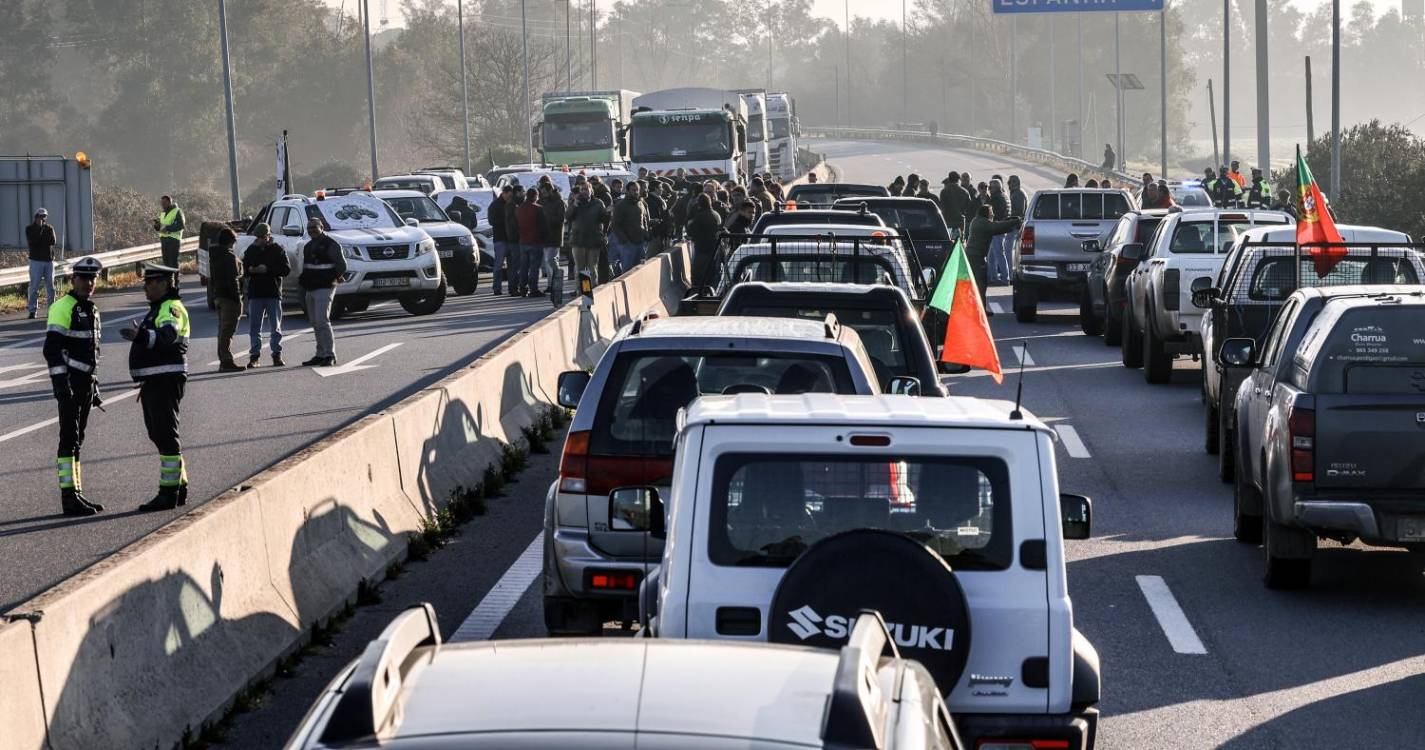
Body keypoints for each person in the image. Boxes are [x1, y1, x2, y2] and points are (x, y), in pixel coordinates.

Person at [121, 263, 191, 512]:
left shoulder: (170, 308)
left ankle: (168, 493)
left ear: (164, 283)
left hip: (165, 380)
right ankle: (179, 486)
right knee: (159, 434)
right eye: (145, 283)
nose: (145, 287)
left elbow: (168, 337)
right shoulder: (159, 308)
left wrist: (141, 336)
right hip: (157, 380)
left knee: (165, 435)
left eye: (150, 283)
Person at [45, 256, 106, 516]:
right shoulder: (64, 307)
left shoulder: (90, 309)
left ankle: (77, 492)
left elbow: (90, 353)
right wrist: (61, 385)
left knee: (77, 439)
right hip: (70, 386)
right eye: (84, 278)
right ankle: (69, 497)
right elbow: (52, 350)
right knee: (68, 440)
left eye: (93, 278)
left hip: (84, 385)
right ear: (73, 280)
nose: (89, 283)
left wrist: (94, 386)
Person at [297, 215, 345, 366]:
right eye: (309, 228)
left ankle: (329, 355)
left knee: (322, 321)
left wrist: (333, 279)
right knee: (315, 322)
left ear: (322, 228)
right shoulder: (309, 246)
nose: (311, 230)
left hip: (325, 287)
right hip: (310, 288)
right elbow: (306, 268)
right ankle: (320, 354)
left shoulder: (331, 244)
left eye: (314, 227)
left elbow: (342, 266)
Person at [242, 222, 290, 368]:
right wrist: (250, 270)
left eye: (263, 237)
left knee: (275, 327)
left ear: (269, 236)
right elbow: (243, 269)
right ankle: (254, 357)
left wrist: (267, 269)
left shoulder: (278, 249)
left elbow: (286, 269)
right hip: (255, 293)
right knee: (254, 328)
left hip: (273, 293)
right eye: (258, 237)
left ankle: (277, 355)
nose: (261, 240)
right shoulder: (251, 250)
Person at [965, 205, 1023, 310]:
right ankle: (980, 309)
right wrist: (1015, 221)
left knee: (979, 283)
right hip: (976, 258)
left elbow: (998, 227)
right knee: (981, 283)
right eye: (991, 212)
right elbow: (997, 227)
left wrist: (1010, 222)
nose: (993, 214)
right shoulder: (983, 224)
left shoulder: (978, 221)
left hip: (974, 256)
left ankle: (979, 308)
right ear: (986, 213)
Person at [209, 227, 244, 372]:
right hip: (228, 297)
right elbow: (233, 279)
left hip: (218, 295)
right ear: (231, 242)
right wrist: (237, 298)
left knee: (222, 330)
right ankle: (226, 361)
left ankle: (223, 359)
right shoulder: (229, 257)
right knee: (228, 330)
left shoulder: (214, 256)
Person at [566, 182, 608, 288]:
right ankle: (584, 295)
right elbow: (568, 217)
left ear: (591, 190)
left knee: (592, 269)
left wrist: (608, 213)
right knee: (581, 270)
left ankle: (590, 293)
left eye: (586, 189)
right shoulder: (575, 202)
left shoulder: (598, 203)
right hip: (578, 240)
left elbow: (604, 219)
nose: (585, 191)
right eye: (582, 189)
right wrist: (574, 205)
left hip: (593, 240)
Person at [685, 193, 724, 289]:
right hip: (714, 248)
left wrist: (690, 225)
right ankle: (711, 290)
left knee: (697, 271)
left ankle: (697, 291)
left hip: (701, 248)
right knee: (712, 271)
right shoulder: (716, 215)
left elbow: (691, 232)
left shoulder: (699, 216)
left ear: (699, 204)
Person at [611, 181, 650, 275]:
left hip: (640, 242)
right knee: (628, 271)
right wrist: (624, 240)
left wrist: (646, 234)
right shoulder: (621, 205)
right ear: (627, 191)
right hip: (628, 243)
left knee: (640, 269)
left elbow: (644, 219)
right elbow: (615, 225)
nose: (636, 192)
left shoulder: (640, 203)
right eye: (633, 190)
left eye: (637, 190)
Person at [26, 208, 58, 319]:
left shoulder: (49, 228)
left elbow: (53, 241)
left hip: (48, 261)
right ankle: (32, 310)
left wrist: (41, 237)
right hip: (36, 262)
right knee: (34, 287)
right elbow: (32, 241)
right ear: (36, 217)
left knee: (50, 288)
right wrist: (40, 231)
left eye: (44, 216)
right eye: (40, 216)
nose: (43, 218)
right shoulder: (29, 229)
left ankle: (52, 311)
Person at [515, 187, 546, 296]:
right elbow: (543, 226)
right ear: (535, 196)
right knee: (534, 268)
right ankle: (533, 289)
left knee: (524, 267)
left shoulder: (519, 208)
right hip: (536, 241)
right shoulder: (538, 209)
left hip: (523, 241)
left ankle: (522, 288)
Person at [541, 183, 566, 298]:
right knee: (547, 262)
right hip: (545, 236)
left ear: (550, 190)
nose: (543, 194)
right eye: (542, 192)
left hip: (555, 235)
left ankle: (558, 276)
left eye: (545, 192)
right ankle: (551, 285)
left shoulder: (559, 202)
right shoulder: (543, 201)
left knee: (551, 259)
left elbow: (561, 218)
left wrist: (547, 217)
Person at [987, 179, 1012, 285]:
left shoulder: (996, 198)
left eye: (990, 187)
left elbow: (992, 213)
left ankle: (1005, 278)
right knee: (992, 256)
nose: (989, 189)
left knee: (999, 255)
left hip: (997, 229)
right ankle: (993, 278)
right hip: (1000, 228)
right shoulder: (1004, 196)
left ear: (995, 188)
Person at [487, 185, 511, 295]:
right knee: (498, 265)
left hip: (511, 239)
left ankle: (513, 287)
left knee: (512, 265)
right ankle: (497, 288)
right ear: (504, 193)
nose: (510, 198)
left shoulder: (511, 204)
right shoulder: (495, 205)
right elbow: (491, 221)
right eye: (509, 195)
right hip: (500, 238)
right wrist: (505, 221)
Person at [153, 195, 186, 270]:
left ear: (169, 202)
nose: (162, 205)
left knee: (173, 262)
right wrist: (157, 225)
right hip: (164, 240)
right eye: (161, 203)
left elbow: (181, 225)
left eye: (164, 203)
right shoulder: (163, 213)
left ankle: (175, 280)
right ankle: (169, 280)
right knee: (166, 262)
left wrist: (168, 229)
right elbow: (161, 226)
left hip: (174, 240)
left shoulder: (177, 211)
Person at [939, 172, 970, 238]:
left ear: (949, 179)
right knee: (959, 244)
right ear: (958, 180)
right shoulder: (965, 192)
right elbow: (969, 208)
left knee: (949, 243)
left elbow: (942, 207)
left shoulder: (944, 191)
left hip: (948, 222)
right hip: (960, 222)